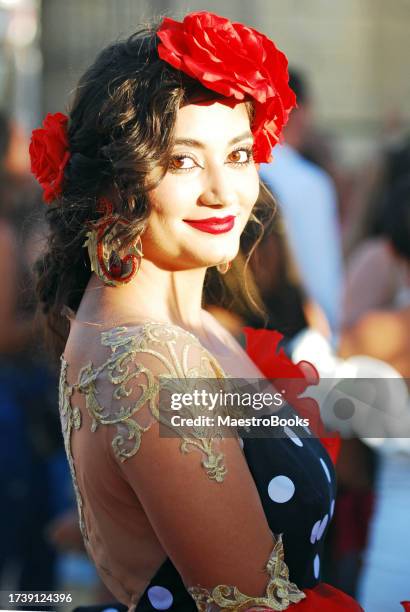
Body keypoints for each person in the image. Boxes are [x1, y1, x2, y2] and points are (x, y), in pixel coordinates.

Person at [32, 12, 362, 612]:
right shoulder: (150, 361)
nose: (223, 191)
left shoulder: (196, 326)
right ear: (117, 179)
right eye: (183, 161)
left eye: (237, 156)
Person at [259, 70, 343, 342]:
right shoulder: (309, 182)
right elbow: (321, 274)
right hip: (293, 333)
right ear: (299, 111)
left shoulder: (239, 171)